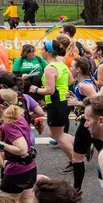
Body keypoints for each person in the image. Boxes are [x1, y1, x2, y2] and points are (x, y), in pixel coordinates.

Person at [29, 39, 75, 168]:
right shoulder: (61, 63)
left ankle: (75, 162)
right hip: (63, 101)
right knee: (54, 133)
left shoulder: (49, 68)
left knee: (58, 136)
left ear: (48, 51)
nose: (41, 51)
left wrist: (36, 89)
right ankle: (82, 147)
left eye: (43, 49)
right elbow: (71, 81)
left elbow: (49, 90)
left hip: (56, 103)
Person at [0, 89, 37, 203]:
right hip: (29, 167)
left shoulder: (9, 124)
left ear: (0, 106)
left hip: (16, 171)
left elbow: (22, 149)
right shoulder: (19, 116)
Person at [67, 57, 102, 192]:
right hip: (92, 124)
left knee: (77, 158)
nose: (70, 69)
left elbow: (98, 101)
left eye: (72, 66)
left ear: (78, 69)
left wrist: (77, 103)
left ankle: (76, 191)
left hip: (88, 124)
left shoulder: (84, 85)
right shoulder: (83, 83)